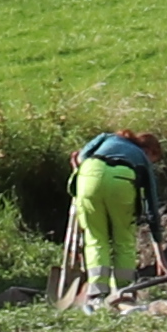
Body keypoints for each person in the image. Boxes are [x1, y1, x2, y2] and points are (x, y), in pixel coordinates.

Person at [56, 129, 160, 307]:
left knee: (95, 238)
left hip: (89, 176)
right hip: (121, 179)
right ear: (149, 151)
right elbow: (151, 203)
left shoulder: (107, 138)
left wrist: (77, 170)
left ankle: (96, 295)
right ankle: (123, 293)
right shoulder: (141, 158)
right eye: (154, 160)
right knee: (123, 240)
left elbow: (80, 157)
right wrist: (159, 249)